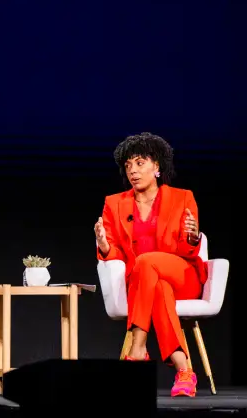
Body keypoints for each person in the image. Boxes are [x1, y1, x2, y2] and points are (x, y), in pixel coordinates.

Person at [95, 132, 204, 397]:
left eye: (140, 163)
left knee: (148, 264)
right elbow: (115, 252)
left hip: (183, 275)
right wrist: (104, 245)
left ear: (156, 166)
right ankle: (184, 371)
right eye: (128, 165)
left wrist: (192, 237)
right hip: (144, 285)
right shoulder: (114, 203)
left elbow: (186, 250)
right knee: (158, 288)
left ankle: (138, 349)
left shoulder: (182, 198)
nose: (133, 170)